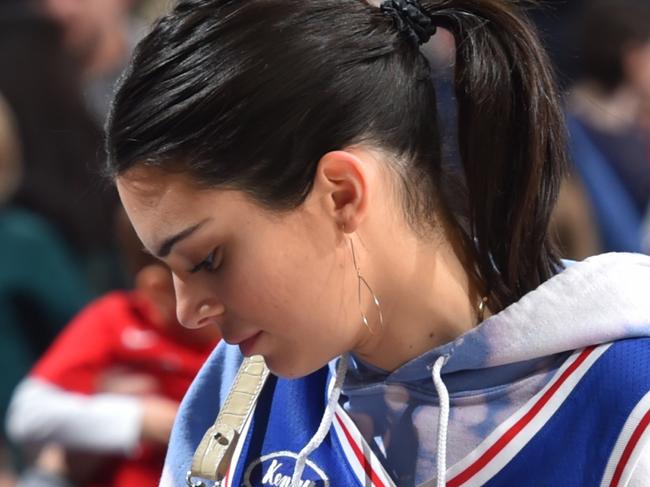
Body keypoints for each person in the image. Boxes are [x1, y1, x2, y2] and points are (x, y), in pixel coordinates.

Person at [105, 0, 650, 486]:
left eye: (207, 259)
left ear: (341, 195)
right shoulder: (241, 389)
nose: (187, 311)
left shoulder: (626, 401)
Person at [6, 236, 220, 487]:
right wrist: (140, 418)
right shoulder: (117, 318)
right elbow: (27, 414)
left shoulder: (242, 340)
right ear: (157, 288)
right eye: (208, 266)